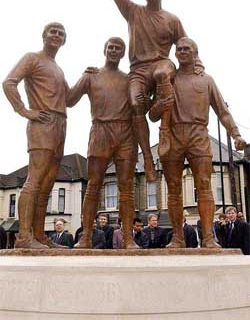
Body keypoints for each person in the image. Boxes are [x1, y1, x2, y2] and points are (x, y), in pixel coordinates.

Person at [108, 0, 203, 181]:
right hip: (138, 70)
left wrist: (199, 65)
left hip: (161, 63)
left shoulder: (172, 19)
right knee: (136, 103)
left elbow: (187, 44)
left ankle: (163, 130)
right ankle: (148, 160)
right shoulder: (134, 12)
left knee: (163, 72)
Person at [149, 37, 246, 248]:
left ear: (195, 53)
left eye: (187, 49)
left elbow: (223, 112)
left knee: (204, 185)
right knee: (173, 188)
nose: (182, 51)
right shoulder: (168, 80)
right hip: (173, 134)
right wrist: (160, 105)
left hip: (198, 133)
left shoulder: (206, 80)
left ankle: (209, 238)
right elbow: (153, 114)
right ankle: (177, 237)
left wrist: (236, 135)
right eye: (179, 49)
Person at [2, 22, 70, 249]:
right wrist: (24, 110)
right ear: (44, 35)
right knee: (35, 179)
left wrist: (89, 76)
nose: (57, 35)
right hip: (43, 123)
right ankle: (23, 237)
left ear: (64, 40)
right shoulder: (32, 58)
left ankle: (39, 236)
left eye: (61, 33)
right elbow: (9, 83)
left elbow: (69, 98)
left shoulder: (58, 68)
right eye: (53, 31)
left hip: (61, 123)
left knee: (47, 184)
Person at [67, 37, 138, 249]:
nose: (114, 50)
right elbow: (69, 99)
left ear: (123, 53)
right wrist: (82, 75)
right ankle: (86, 236)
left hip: (125, 133)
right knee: (93, 186)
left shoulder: (129, 79)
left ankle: (128, 238)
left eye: (119, 48)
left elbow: (142, 105)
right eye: (111, 47)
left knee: (127, 188)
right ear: (104, 50)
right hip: (100, 130)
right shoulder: (92, 75)